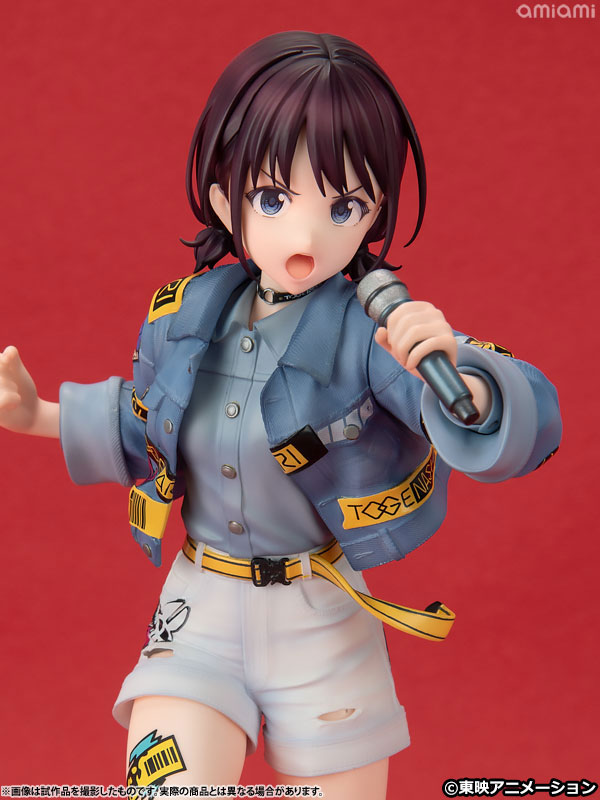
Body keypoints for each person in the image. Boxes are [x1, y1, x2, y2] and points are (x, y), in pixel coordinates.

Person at [0, 31, 561, 800]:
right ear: (224, 196)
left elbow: (499, 425)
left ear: (375, 213)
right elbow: (149, 429)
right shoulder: (182, 317)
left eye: (343, 205)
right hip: (199, 612)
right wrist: (35, 414)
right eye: (273, 198)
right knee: (164, 788)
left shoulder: (373, 337)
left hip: (320, 622)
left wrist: (472, 380)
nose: (305, 237)